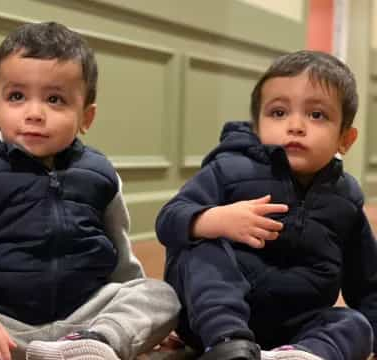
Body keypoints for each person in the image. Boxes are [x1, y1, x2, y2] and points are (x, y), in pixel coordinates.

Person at [0, 21, 179, 360]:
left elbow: (120, 254)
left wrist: (140, 325)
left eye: (55, 99)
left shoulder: (100, 173)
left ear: (86, 117)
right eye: (16, 97)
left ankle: (95, 346)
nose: (34, 113)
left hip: (86, 315)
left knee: (160, 295)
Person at [155, 50, 377, 360]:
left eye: (317, 115)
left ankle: (298, 355)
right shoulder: (230, 171)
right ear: (257, 126)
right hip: (215, 321)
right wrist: (216, 219)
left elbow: (366, 282)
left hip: (297, 323)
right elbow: (168, 220)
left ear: (345, 139)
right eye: (278, 113)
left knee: (356, 325)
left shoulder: (346, 198)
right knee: (205, 245)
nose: (295, 125)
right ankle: (229, 346)